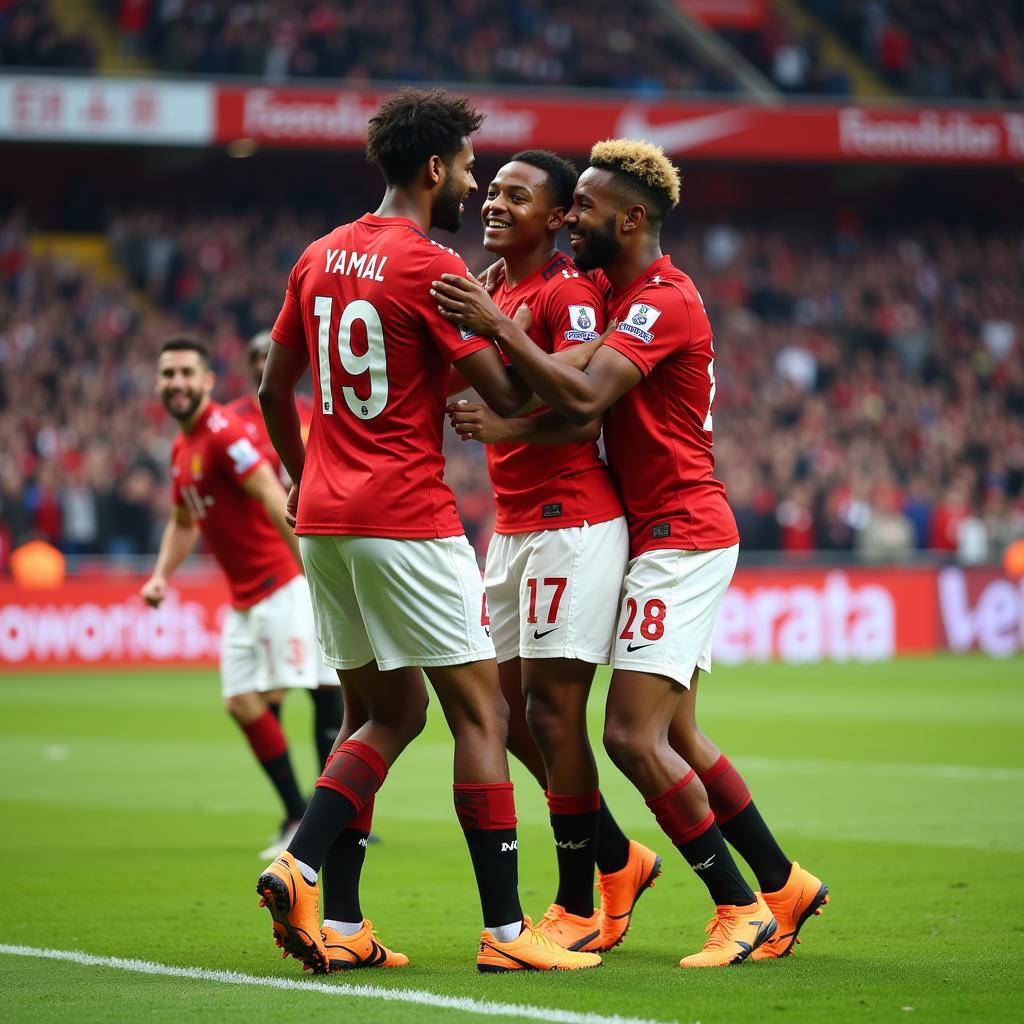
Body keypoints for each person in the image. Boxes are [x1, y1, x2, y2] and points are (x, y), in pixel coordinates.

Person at [433, 139, 829, 968]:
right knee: (675, 734)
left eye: (582, 206)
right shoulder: (609, 290)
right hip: (645, 528)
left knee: (629, 736)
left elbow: (583, 395)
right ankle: (781, 882)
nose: (572, 218)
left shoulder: (661, 299)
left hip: (677, 531)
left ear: (632, 218)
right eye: (568, 204)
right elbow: (571, 371)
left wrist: (500, 348)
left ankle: (734, 907)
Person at [255, 87, 601, 974]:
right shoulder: (428, 268)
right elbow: (513, 397)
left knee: (380, 713)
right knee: (480, 710)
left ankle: (323, 897)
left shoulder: (317, 255)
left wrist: (300, 478)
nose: (475, 186)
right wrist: (491, 324)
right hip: (406, 518)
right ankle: (508, 933)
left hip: (324, 520)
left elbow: (270, 391)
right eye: (471, 169)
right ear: (435, 168)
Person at [449, 149, 659, 953]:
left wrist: (502, 423)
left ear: (558, 216)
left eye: (516, 195)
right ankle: (618, 856)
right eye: (492, 190)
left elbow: (581, 409)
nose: (495, 203)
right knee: (502, 713)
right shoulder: (495, 285)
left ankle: (577, 902)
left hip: (571, 518)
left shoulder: (565, 291)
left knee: (550, 710)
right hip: (511, 524)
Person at [142, 336, 339, 861]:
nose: (177, 383)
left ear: (207, 381)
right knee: (242, 702)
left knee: (303, 693)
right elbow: (184, 521)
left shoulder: (223, 434)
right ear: (159, 385)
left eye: (186, 372)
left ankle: (329, 819)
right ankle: (299, 812)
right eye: (168, 374)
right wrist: (162, 575)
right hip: (245, 599)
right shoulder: (182, 449)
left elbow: (273, 496)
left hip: (280, 587)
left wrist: (311, 567)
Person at [226, 330, 344, 774]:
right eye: (256, 355)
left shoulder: (321, 414)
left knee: (328, 684)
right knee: (270, 689)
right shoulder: (230, 423)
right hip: (272, 571)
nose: (263, 361)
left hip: (318, 555)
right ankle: (296, 809)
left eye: (269, 353)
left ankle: (332, 806)